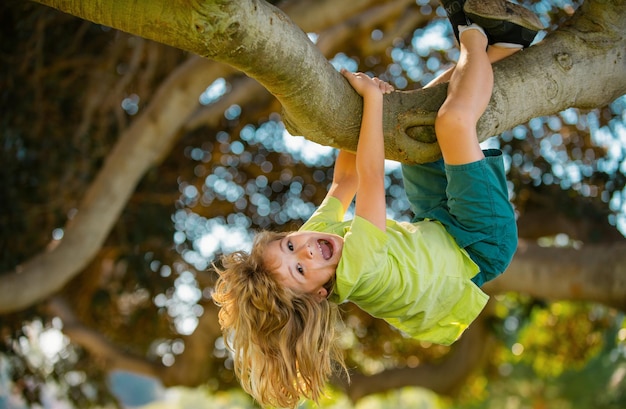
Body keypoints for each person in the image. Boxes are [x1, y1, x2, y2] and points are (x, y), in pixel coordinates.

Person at [212, 0, 541, 407]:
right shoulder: (357, 270)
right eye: (301, 269)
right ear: (318, 294)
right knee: (452, 123)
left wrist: (363, 111)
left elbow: (345, 179)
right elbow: (370, 178)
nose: (307, 249)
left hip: (437, 225)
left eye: (289, 244)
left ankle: (505, 49)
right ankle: (472, 32)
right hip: (480, 245)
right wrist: (373, 101)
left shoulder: (315, 239)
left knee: (416, 119)